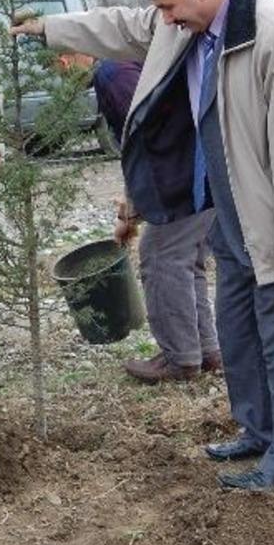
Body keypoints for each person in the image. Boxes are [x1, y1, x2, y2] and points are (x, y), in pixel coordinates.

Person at [12, 0, 274, 493]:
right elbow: (121, 26)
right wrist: (47, 29)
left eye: (169, 7)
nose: (163, 20)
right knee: (238, 334)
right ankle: (257, 432)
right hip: (224, 213)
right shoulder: (184, 22)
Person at [93, 59, 222, 383]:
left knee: (161, 256)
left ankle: (179, 359)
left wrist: (134, 211)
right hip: (201, 174)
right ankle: (206, 351)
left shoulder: (113, 74)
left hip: (182, 180)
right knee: (186, 260)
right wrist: (131, 211)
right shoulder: (130, 65)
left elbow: (142, 140)